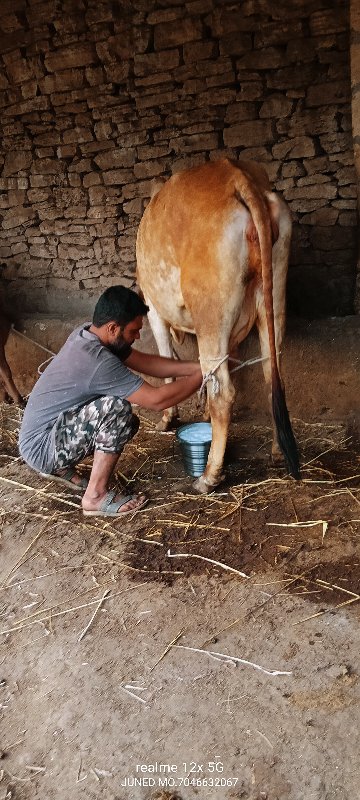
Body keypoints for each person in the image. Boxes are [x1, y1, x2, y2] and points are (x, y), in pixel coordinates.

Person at [19, 285, 203, 517]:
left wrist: (201, 365)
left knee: (126, 422)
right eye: (134, 331)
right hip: (41, 448)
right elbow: (157, 400)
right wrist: (201, 377)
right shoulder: (98, 361)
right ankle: (95, 497)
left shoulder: (88, 333)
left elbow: (148, 363)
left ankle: (62, 467)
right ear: (114, 328)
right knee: (116, 410)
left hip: (43, 437)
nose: (137, 337)